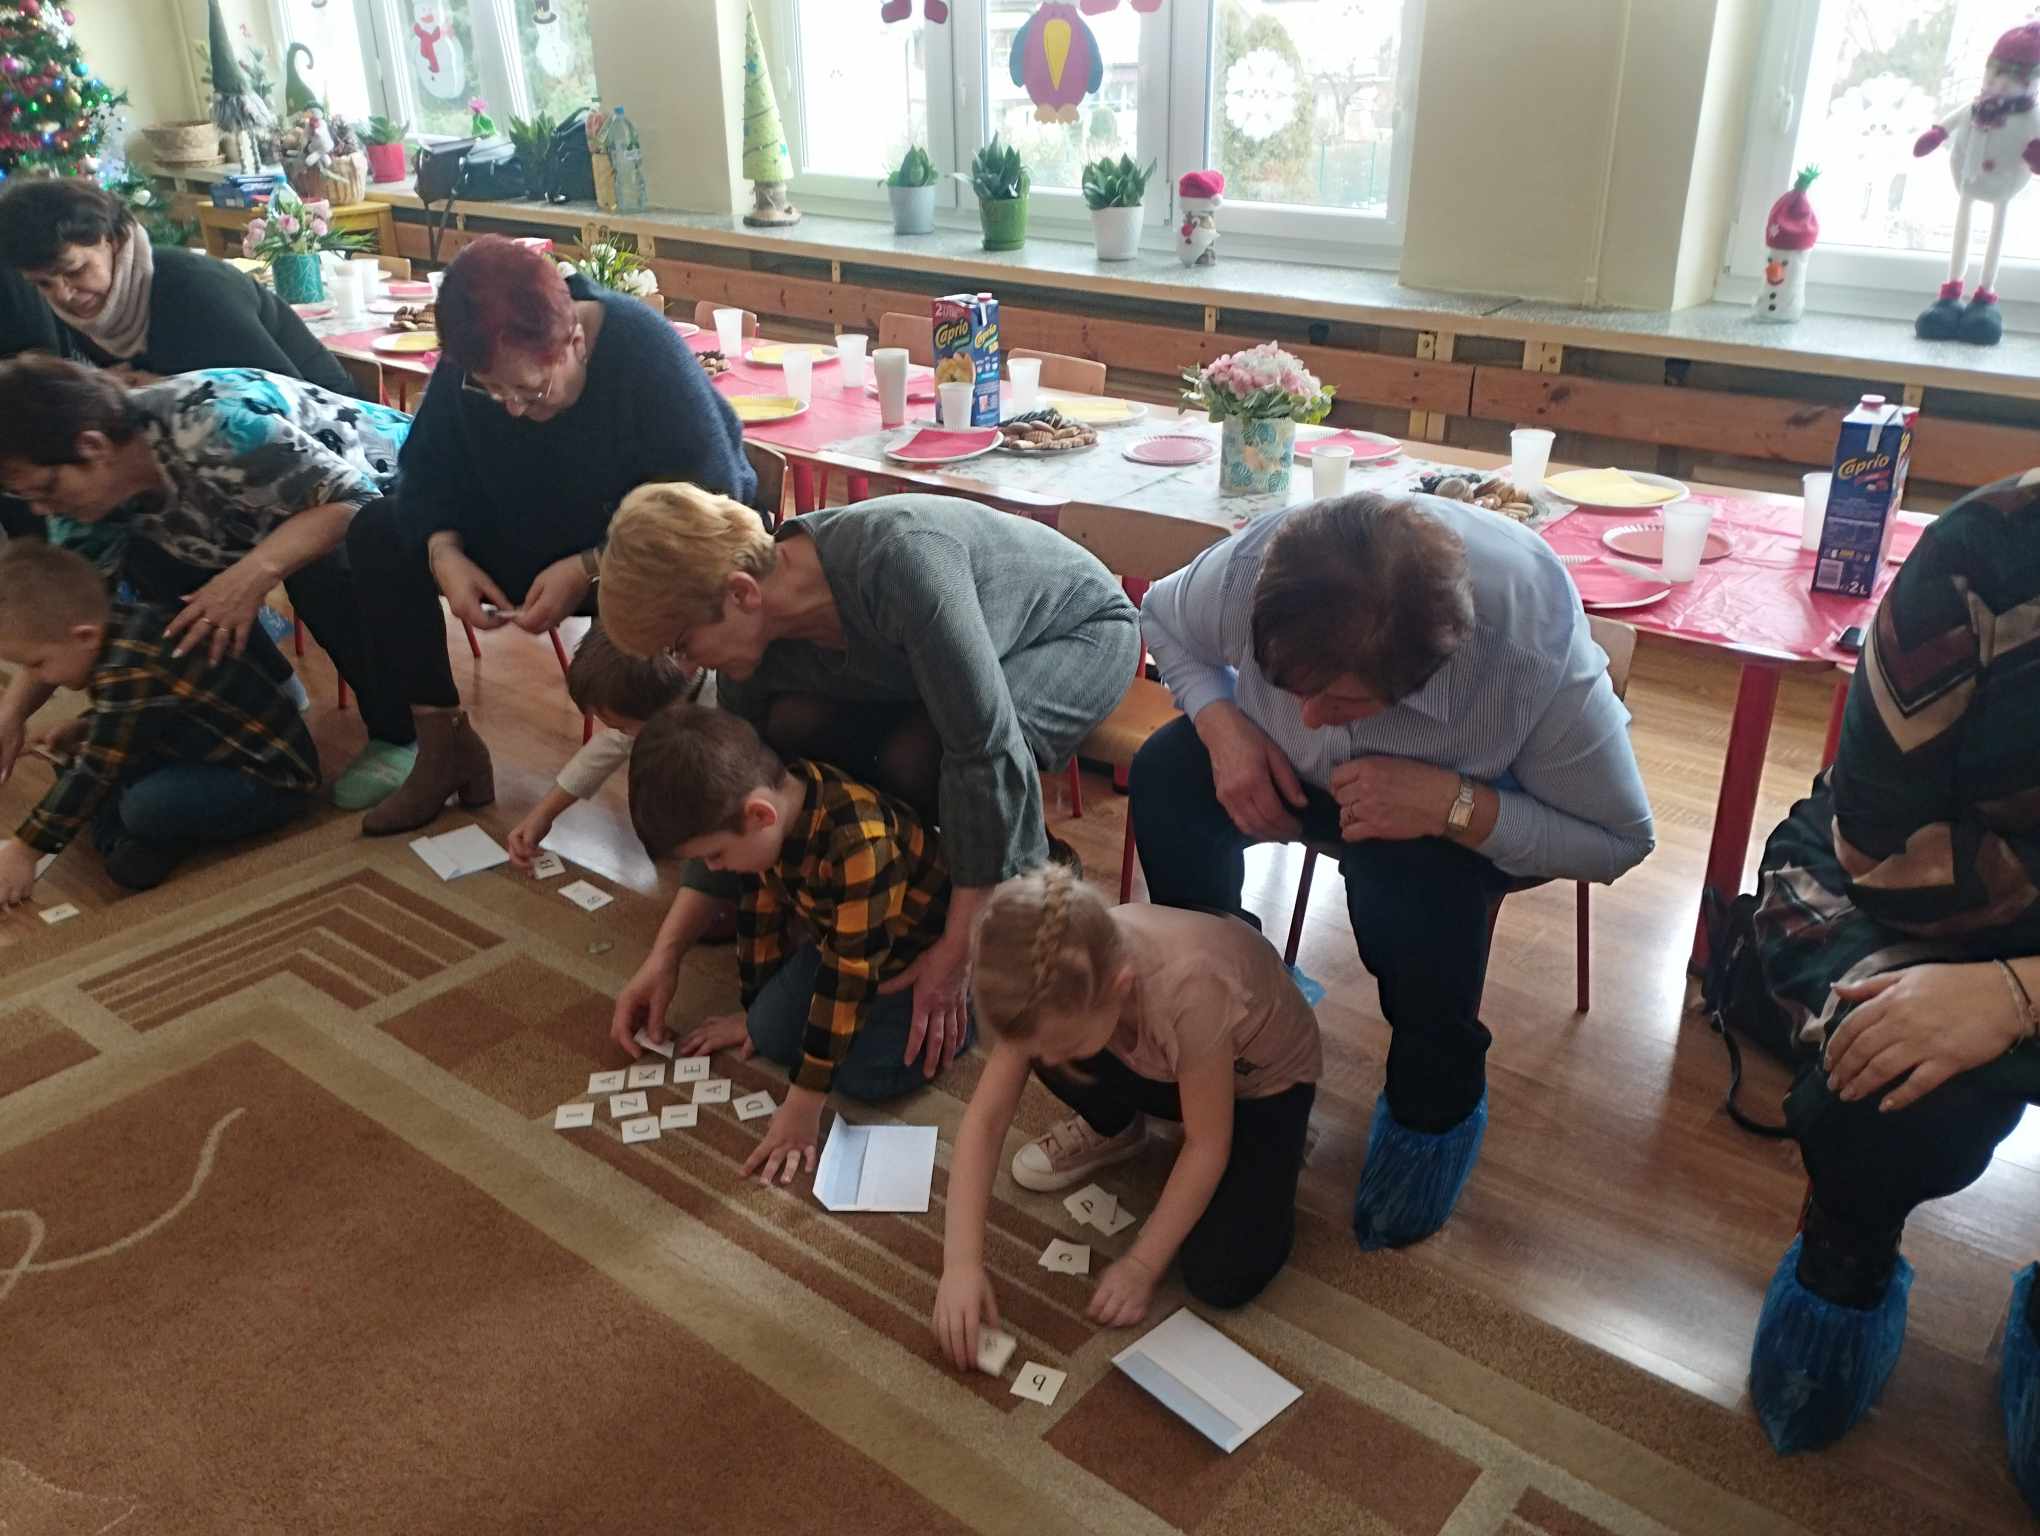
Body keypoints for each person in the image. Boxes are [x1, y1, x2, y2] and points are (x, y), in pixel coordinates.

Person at [1132, 490, 1654, 1252]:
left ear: (1420, 677)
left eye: (1341, 701)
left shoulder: (1529, 662)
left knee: (1414, 901)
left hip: (1443, 818)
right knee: (1164, 778)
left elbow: (1619, 841)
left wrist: (1454, 805)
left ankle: (1430, 1111)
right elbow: (1163, 616)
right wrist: (1223, 727)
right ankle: (1231, 1009)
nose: (1309, 718)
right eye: (1287, 685)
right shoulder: (1251, 568)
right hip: (1282, 770)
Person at [597, 484, 1140, 1080]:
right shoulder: (757, 640)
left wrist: (955, 955)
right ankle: (914, 893)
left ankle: (1020, 895)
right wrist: (666, 954)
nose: (689, 667)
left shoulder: (901, 564)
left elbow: (984, 755)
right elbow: (725, 795)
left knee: (924, 758)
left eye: (682, 645)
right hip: (951, 663)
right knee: (789, 727)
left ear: (742, 593)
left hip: (1075, 629)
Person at [1744, 471, 2040, 1503]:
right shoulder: (1988, 553)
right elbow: (1884, 848)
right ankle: (1845, 1261)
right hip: (1900, 890)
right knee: (1879, 1075)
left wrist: (2017, 994)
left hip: (2011, 949)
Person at [343, 235, 755, 836]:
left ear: (575, 342)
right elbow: (425, 468)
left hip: (633, 558)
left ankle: (688, 792)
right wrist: (444, 550)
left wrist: (591, 566)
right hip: (526, 541)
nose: (511, 407)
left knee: (672, 606)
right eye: (494, 390)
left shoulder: (642, 350)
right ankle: (443, 745)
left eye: (530, 390)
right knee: (377, 533)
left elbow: (715, 495)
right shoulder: (480, 359)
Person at [933, 865, 1321, 1368]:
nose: (1051, 1062)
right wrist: (960, 1265)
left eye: (1066, 1044)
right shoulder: (1049, 975)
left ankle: (1281, 1154)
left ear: (1119, 986)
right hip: (1167, 1060)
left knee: (1222, 1276)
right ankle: (1120, 1127)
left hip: (1262, 1085)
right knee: (1039, 1049)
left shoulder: (1191, 991)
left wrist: (1141, 1264)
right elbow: (985, 1120)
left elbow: (1207, 1145)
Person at [0, 356, 414, 808]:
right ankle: (267, 691)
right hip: (270, 520)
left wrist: (249, 577)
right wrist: (11, 715)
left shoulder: (213, 426)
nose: (42, 509)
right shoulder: (82, 504)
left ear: (92, 446)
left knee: (316, 568)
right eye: (27, 498)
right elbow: (63, 615)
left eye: (46, 489)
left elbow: (358, 502)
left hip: (402, 489)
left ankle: (400, 732)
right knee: (144, 561)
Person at [627, 703, 958, 1183]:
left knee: (863, 1077)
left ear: (759, 815)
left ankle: (969, 1010)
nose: (714, 870)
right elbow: (760, 909)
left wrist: (804, 1103)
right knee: (771, 1032)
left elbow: (848, 979)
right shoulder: (771, 821)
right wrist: (756, 1008)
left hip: (915, 953)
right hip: (840, 941)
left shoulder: (860, 845)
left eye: (715, 855)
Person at [0, 543, 317, 899]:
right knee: (74, 759)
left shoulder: (130, 667)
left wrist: (24, 851)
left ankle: (140, 841)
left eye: (37, 664)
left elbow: (98, 767)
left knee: (142, 805)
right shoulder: (117, 630)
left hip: (270, 779)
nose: (37, 677)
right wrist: (89, 726)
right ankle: (136, 842)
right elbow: (155, 709)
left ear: (84, 636)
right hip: (199, 748)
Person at [0, 176, 356, 394]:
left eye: (76, 271)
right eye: (43, 284)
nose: (63, 294)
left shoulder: (192, 290)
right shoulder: (89, 307)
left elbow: (288, 399)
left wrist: (163, 391)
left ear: (111, 239)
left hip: (333, 429)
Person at [503, 624, 706, 871]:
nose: (622, 734)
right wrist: (542, 815)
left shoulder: (720, 709)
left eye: (624, 727)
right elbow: (604, 750)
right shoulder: (656, 705)